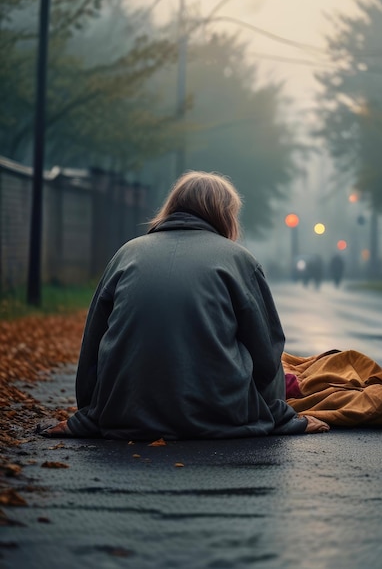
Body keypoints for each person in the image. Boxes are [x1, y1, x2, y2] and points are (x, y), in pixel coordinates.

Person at [41, 171, 329, 439]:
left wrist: (91, 413)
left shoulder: (127, 254)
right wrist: (280, 415)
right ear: (225, 214)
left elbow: (92, 346)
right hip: (219, 412)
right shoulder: (238, 260)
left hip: (126, 411)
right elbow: (266, 353)